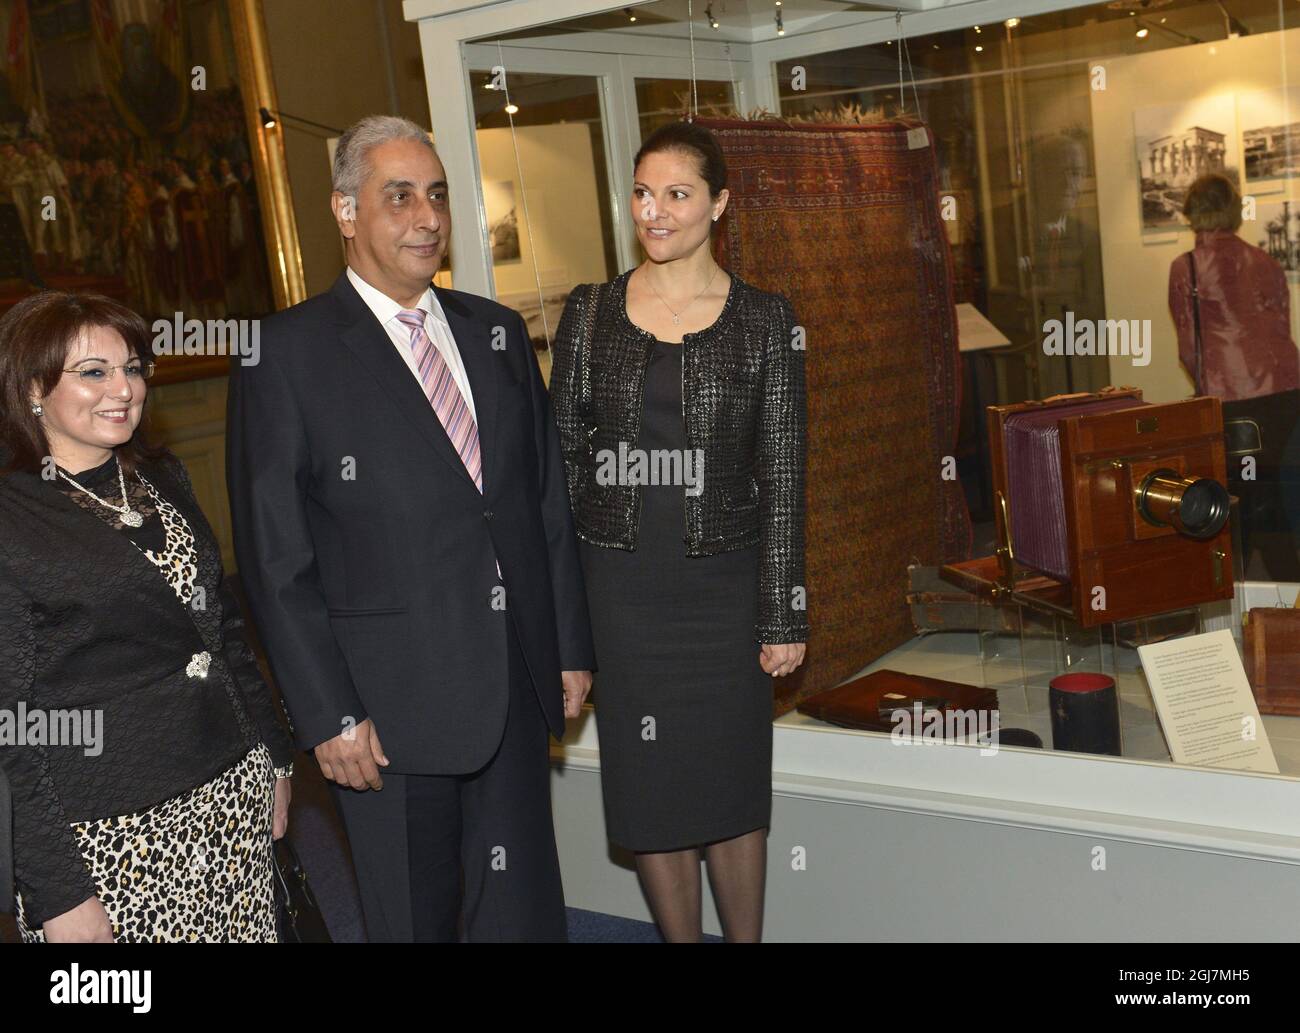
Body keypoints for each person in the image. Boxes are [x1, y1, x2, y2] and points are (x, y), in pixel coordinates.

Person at [226, 115, 594, 943]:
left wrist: (566, 642)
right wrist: (326, 714)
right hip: (384, 715)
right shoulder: (282, 355)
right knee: (416, 920)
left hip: (512, 684)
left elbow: (543, 504)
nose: (426, 218)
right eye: (399, 198)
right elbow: (275, 560)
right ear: (346, 212)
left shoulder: (493, 333)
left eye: (435, 196)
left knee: (521, 914)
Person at [550, 121, 809, 943]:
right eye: (642, 192)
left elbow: (783, 475)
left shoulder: (766, 321)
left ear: (719, 203)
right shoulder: (590, 314)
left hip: (724, 593)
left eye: (677, 193)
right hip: (621, 590)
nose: (654, 212)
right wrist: (566, 632)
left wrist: (781, 615)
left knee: (731, 787)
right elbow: (557, 473)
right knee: (652, 785)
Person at [0, 290, 294, 943]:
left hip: (228, 793)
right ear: (32, 389)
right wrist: (57, 890)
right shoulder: (12, 518)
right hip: (112, 834)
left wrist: (275, 757)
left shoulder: (161, 473)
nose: (123, 387)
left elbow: (225, 632)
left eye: (132, 367)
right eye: (94, 372)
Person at [1168, 172, 1300, 579]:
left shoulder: (1186, 267)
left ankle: (1236, 597)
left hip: (1234, 399)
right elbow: (1282, 324)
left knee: (1236, 503)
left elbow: (1190, 348)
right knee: (1281, 497)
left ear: (1192, 213)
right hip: (1288, 393)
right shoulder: (1264, 260)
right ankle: (1286, 601)